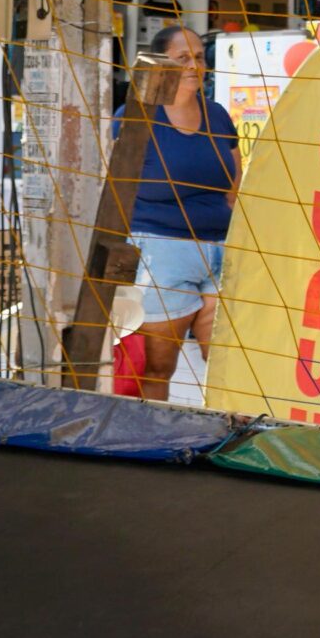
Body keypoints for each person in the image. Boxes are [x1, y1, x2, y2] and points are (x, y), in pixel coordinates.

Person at [116, 24, 241, 401]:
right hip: (161, 253)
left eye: (199, 57)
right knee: (158, 366)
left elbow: (236, 183)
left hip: (219, 250)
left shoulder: (217, 115)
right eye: (182, 58)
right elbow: (113, 189)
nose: (193, 66)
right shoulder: (135, 116)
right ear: (160, 63)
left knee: (227, 362)